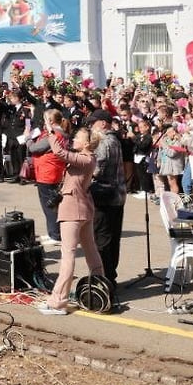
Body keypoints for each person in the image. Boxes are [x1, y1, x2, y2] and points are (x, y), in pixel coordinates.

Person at [37, 127, 105, 315]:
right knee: (91, 251)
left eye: (78, 137)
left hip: (73, 210)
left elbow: (59, 152)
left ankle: (58, 301)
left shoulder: (85, 158)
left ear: (86, 143)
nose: (74, 138)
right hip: (83, 209)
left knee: (68, 256)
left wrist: (51, 133)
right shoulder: (87, 158)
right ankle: (100, 289)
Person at [86, 110, 126, 296]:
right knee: (113, 238)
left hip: (105, 197)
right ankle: (110, 276)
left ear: (102, 123)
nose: (90, 127)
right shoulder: (115, 139)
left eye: (92, 123)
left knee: (102, 240)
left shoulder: (104, 142)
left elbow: (97, 170)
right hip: (117, 196)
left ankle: (104, 279)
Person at [27, 108, 68, 246]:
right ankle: (53, 232)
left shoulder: (55, 134)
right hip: (50, 172)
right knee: (50, 205)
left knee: (49, 205)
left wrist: (28, 139)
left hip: (48, 173)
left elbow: (34, 148)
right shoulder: (57, 133)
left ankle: (55, 235)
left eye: (45, 119)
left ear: (50, 121)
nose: (43, 122)